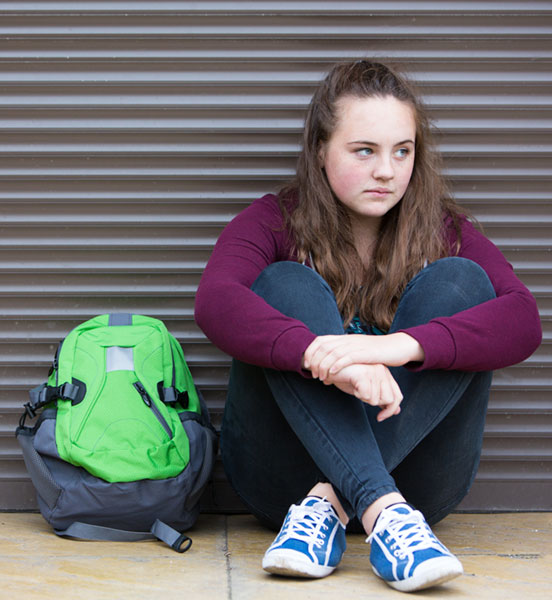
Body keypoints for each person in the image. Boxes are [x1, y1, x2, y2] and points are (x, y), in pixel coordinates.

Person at [194, 60, 542, 593]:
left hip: (417, 487)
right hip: (282, 487)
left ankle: (340, 501)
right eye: (365, 151)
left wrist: (396, 349)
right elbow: (217, 303)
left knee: (464, 286)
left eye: (402, 151)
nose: (387, 171)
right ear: (319, 152)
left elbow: (521, 319)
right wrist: (319, 356)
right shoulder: (273, 222)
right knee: (286, 285)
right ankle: (377, 511)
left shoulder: (443, 230)